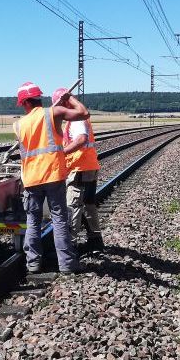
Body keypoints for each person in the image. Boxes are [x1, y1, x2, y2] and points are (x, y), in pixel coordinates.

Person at [13, 82, 89, 274]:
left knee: (33, 220)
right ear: (38, 98)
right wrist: (68, 98)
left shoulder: (18, 125)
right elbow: (83, 113)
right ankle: (66, 264)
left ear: (25, 103)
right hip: (53, 175)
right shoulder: (53, 113)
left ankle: (33, 263)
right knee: (59, 219)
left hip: (31, 178)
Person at [52, 88, 104, 252]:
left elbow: (81, 139)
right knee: (88, 204)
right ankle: (95, 241)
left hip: (80, 168)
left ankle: (70, 246)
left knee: (72, 206)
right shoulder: (76, 118)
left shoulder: (75, 120)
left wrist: (62, 153)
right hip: (88, 166)